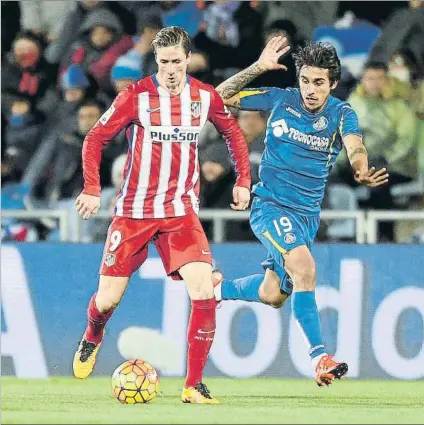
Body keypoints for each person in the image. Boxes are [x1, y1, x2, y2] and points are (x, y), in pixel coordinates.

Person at [72, 26, 251, 404]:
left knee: (204, 289)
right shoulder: (136, 96)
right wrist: (91, 187)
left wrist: (243, 180)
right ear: (156, 61)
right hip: (134, 213)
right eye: (163, 62)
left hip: (180, 213)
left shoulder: (203, 97)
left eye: (176, 61)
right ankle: (92, 336)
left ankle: (193, 385)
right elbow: (95, 138)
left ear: (188, 59)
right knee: (107, 300)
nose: (170, 69)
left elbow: (233, 133)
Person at [214, 36, 389, 387]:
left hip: (306, 217)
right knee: (304, 267)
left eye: (319, 83)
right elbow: (217, 97)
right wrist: (259, 68)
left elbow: (355, 145)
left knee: (274, 294)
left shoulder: (341, 113)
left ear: (333, 84)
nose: (310, 90)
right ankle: (320, 358)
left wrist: (361, 168)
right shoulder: (280, 99)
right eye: (305, 81)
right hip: (270, 206)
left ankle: (216, 289)